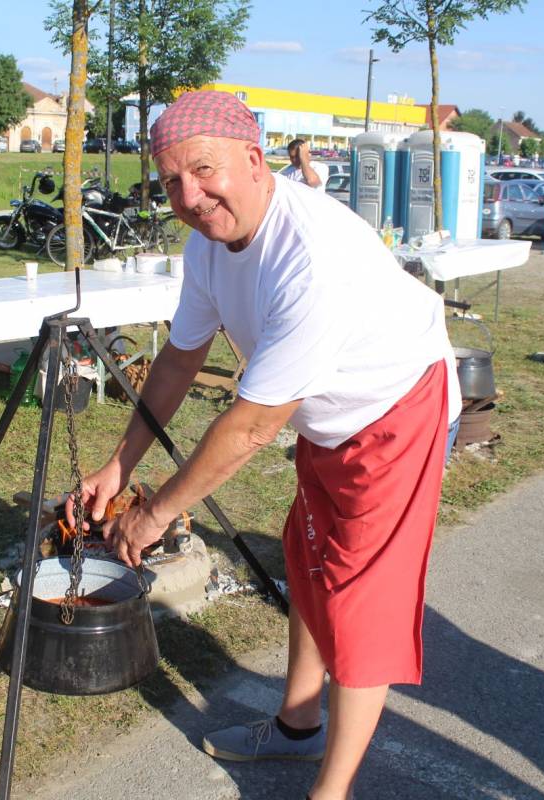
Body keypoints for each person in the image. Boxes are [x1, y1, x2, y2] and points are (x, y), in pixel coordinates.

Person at [69, 90, 460, 799]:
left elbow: (250, 427)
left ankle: (329, 792)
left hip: (395, 407)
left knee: (358, 603)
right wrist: (118, 464)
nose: (190, 195)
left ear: (254, 160)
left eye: (204, 170)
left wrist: (155, 513)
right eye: (171, 182)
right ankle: (296, 725)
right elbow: (180, 359)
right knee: (308, 563)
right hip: (326, 414)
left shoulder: (309, 256)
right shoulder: (209, 244)